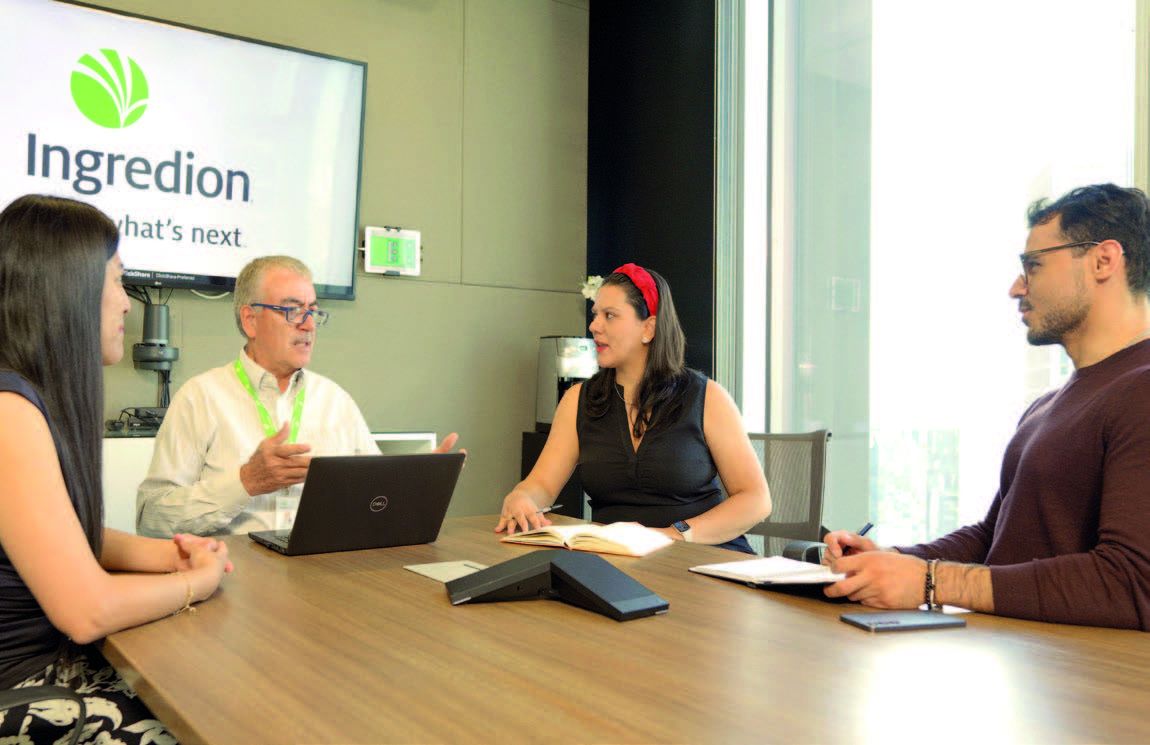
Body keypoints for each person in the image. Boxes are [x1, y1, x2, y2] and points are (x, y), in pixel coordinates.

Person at [823, 183, 1150, 631]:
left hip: (1085, 668)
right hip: (1017, 652)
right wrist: (893, 561)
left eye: (1033, 265)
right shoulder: (1049, 404)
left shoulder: (1141, 391)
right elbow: (993, 538)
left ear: (1103, 260)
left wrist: (930, 582)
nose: (1016, 288)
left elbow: (1131, 583)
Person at [0, 194, 232, 742]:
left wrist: (169, 555)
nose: (127, 304)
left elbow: (63, 537)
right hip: (22, 690)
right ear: (70, 291)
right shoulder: (8, 411)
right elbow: (87, 612)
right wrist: (196, 582)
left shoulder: (25, 397)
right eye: (117, 281)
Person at [137, 255, 462, 537]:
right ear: (251, 320)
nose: (308, 325)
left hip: (324, 573)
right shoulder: (200, 398)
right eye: (293, 311)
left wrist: (414, 484)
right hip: (235, 576)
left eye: (313, 312)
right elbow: (151, 518)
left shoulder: (335, 401)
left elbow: (376, 498)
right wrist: (245, 483)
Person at [497, 263, 771, 552]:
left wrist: (673, 535)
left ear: (648, 328)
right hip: (620, 561)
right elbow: (541, 485)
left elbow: (755, 499)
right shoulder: (577, 400)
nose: (594, 326)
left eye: (610, 315)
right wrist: (522, 497)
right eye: (595, 315)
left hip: (703, 556)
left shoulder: (707, 397)